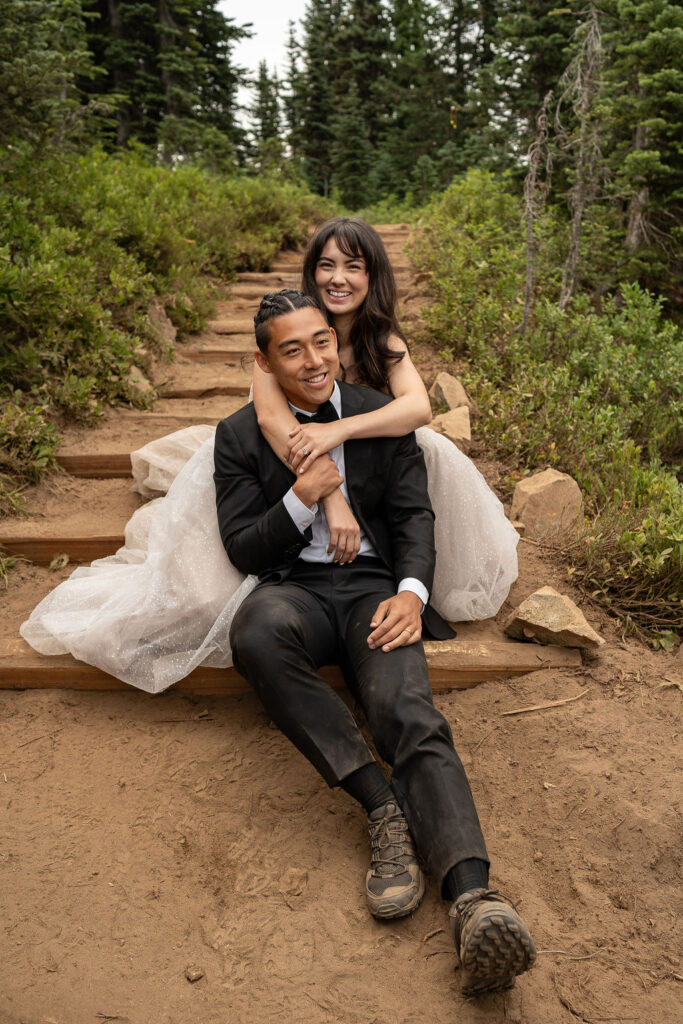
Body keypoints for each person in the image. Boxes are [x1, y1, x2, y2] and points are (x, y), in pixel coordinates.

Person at [20, 218, 518, 693]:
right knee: (210, 568)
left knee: (424, 445)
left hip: (367, 463)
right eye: (326, 265)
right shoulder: (284, 330)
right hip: (295, 463)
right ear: (311, 271)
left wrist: (340, 430)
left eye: (353, 266)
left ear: (374, 276)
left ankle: (409, 572)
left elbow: (418, 407)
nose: (338, 278)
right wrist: (332, 499)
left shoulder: (381, 336)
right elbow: (273, 423)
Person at [216, 289, 536, 996]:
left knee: (408, 712)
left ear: (336, 341)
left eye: (321, 342)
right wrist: (302, 495)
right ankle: (381, 807)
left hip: (373, 593)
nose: (312, 360)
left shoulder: (372, 415)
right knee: (255, 633)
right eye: (291, 349)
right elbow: (243, 548)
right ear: (264, 362)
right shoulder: (239, 435)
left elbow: (412, 516)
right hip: (292, 592)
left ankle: (473, 899)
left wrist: (411, 595)